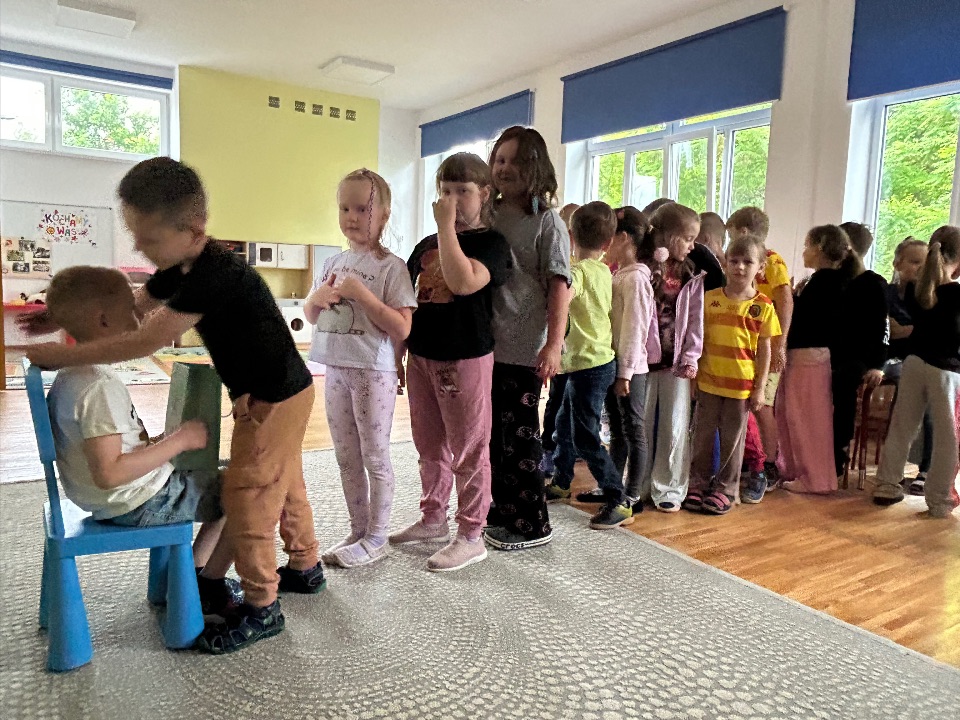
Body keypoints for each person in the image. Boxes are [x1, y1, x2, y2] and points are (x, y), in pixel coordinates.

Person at [27, 158, 323, 654]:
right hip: (264, 392)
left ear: (194, 230)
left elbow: (143, 340)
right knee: (283, 480)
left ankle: (262, 606)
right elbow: (130, 307)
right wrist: (65, 314)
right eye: (135, 236)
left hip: (276, 397)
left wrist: (64, 355)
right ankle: (305, 566)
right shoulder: (177, 267)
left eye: (148, 238)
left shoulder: (213, 274)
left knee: (249, 495)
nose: (139, 248)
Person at [43, 266, 238, 615]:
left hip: (110, 498)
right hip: (135, 501)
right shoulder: (97, 387)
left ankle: (190, 575)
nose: (141, 317)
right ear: (104, 320)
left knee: (219, 477)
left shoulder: (72, 374)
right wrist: (178, 442)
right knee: (245, 492)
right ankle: (197, 582)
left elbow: (105, 450)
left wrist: (159, 443)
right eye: (130, 309)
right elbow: (110, 473)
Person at [389, 153, 512, 571]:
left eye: (463, 191)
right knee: (428, 444)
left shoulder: (491, 244)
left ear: (485, 194)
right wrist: (398, 355)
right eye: (445, 191)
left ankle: (472, 534)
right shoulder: (426, 246)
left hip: (464, 358)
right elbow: (406, 302)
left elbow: (462, 283)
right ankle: (433, 518)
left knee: (469, 448)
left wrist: (445, 227)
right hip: (422, 355)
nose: (452, 199)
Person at [306, 169, 417, 569]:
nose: (351, 217)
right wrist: (317, 298)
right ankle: (358, 529)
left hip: (373, 372)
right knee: (345, 455)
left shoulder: (392, 267)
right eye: (344, 208)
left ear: (383, 215)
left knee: (374, 454)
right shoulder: (332, 262)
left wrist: (363, 295)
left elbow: (402, 327)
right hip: (335, 369)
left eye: (361, 209)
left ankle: (377, 536)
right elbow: (312, 316)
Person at [482, 126, 571, 551]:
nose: (504, 168)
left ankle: (533, 522)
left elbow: (559, 285)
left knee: (520, 438)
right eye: (499, 160)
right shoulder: (487, 213)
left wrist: (553, 344)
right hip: (485, 345)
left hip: (523, 349)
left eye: (514, 161)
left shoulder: (547, 222)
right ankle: (503, 509)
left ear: (534, 167)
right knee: (491, 437)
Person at [543, 202, 630, 528]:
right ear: (608, 243)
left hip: (588, 366)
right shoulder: (604, 270)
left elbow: (563, 296)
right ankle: (562, 482)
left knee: (584, 436)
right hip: (594, 364)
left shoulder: (577, 273)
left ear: (570, 236)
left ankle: (618, 498)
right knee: (564, 426)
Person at [685, 234, 781, 515]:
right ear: (725, 263)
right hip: (709, 382)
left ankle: (726, 489)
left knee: (732, 442)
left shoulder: (763, 306)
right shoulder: (710, 299)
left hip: (740, 388)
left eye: (747, 262)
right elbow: (698, 342)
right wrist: (694, 378)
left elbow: (764, 351)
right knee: (702, 438)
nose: (739, 267)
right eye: (734, 261)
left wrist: (759, 388)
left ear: (760, 267)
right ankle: (698, 484)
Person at [873, 226, 960, 518]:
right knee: (948, 438)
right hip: (946, 371)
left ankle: (886, 485)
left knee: (902, 427)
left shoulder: (916, 290)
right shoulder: (956, 294)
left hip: (913, 363)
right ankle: (939, 500)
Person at [629, 203, 705, 513]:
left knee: (675, 425)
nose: (692, 245)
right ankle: (637, 484)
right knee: (641, 424)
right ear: (669, 236)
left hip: (677, 365)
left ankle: (669, 487)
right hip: (643, 361)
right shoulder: (643, 268)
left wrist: (691, 356)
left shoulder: (692, 274)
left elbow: (696, 320)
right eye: (687, 238)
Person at [777, 226, 860, 494]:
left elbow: (809, 319)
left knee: (807, 419)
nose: (804, 251)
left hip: (810, 356)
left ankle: (814, 478)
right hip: (805, 354)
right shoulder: (821, 281)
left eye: (807, 245)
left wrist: (791, 298)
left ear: (820, 247)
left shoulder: (827, 282)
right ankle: (795, 469)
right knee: (794, 415)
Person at [726, 207, 792, 487]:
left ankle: (770, 463)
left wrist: (780, 344)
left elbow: (785, 299)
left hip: (766, 342)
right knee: (747, 403)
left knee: (763, 403)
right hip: (744, 342)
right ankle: (751, 458)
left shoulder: (772, 260)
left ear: (742, 232)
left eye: (731, 235)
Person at [602, 206, 659, 511]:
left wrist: (625, 372)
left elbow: (635, 329)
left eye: (609, 236)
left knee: (634, 429)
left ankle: (632, 494)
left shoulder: (635, 279)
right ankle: (613, 487)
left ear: (623, 238)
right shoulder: (620, 275)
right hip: (615, 365)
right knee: (618, 429)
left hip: (631, 369)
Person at [833, 222, 889, 477]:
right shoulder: (835, 281)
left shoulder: (874, 284)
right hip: (832, 353)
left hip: (858, 358)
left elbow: (883, 328)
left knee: (843, 381)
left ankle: (838, 453)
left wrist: (878, 365)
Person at [884, 237, 932, 494]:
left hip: (919, 361)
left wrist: (908, 330)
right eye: (914, 262)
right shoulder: (887, 293)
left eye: (924, 264)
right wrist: (912, 330)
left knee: (928, 396)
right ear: (897, 263)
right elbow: (888, 331)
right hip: (889, 359)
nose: (919, 268)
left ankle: (926, 469)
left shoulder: (929, 298)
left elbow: (920, 333)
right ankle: (892, 470)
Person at [541, 203, 579, 479]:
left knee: (568, 403)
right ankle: (547, 448)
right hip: (560, 347)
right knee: (556, 400)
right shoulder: (566, 269)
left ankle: (565, 448)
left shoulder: (585, 269)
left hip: (576, 351)